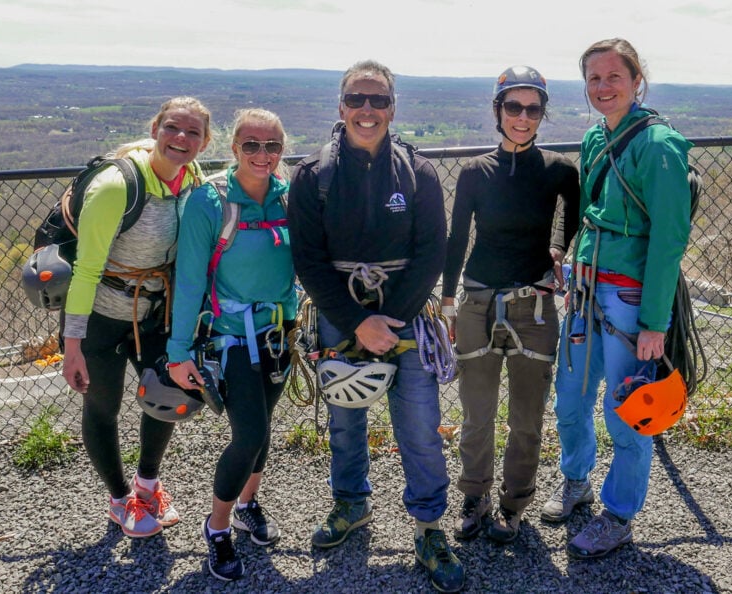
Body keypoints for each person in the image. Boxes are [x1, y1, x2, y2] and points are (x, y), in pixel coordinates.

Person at [288, 60, 464, 593]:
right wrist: (358, 323)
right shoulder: (312, 176)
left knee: (419, 427)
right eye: (357, 100)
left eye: (378, 100)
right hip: (340, 317)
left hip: (406, 317)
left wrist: (390, 320)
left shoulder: (418, 172)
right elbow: (309, 260)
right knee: (345, 423)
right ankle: (351, 505)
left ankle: (429, 528)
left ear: (392, 108)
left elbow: (432, 251)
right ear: (341, 107)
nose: (368, 110)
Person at [541, 38, 693, 558]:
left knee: (625, 411)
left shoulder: (660, 146)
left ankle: (620, 513)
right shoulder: (594, 139)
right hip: (586, 292)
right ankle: (576, 479)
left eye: (613, 77)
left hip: (629, 301)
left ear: (637, 80)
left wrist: (655, 323)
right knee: (571, 399)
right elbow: (589, 212)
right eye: (593, 79)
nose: (602, 88)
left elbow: (669, 240)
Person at [61, 97, 212, 538]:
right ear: (155, 129)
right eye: (172, 128)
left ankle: (148, 487)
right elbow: (86, 270)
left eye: (193, 133)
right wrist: (72, 347)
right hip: (102, 319)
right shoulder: (115, 187)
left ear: (204, 143)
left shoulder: (192, 178)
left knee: (167, 398)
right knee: (103, 407)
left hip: (154, 314)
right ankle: (118, 498)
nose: (181, 139)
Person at [442, 66, 580, 544]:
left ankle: (513, 503)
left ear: (543, 114)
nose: (523, 117)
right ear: (498, 111)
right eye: (513, 107)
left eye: (533, 108)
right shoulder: (475, 172)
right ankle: (474, 495)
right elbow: (457, 237)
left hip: (534, 306)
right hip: (479, 302)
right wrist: (446, 302)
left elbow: (573, 217)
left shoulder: (560, 169)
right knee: (476, 414)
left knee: (527, 418)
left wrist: (557, 250)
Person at [166, 108, 296, 581]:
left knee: (264, 427)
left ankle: (247, 504)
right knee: (251, 435)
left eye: (273, 146)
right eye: (251, 145)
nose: (263, 155)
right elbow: (189, 279)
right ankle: (217, 527)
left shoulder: (289, 196)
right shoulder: (209, 200)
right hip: (231, 338)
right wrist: (178, 352)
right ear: (233, 147)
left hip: (281, 332)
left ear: (283, 150)